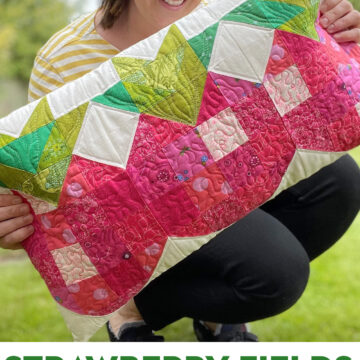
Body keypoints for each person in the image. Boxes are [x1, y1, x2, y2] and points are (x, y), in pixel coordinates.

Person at [1, 0, 360, 342]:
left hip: (223, 177)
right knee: (275, 276)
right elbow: (43, 185)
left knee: (340, 182)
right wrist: (12, 219)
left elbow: (299, 82)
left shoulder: (229, 14)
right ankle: (130, 311)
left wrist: (337, 34)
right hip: (138, 223)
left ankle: (213, 313)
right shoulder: (65, 57)